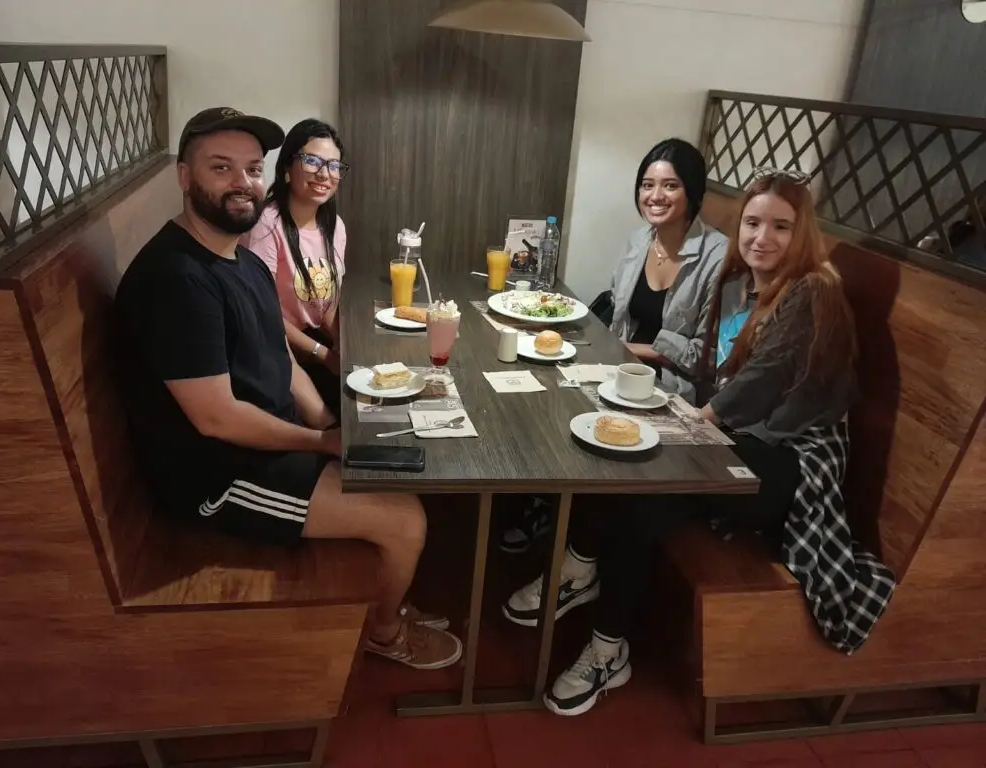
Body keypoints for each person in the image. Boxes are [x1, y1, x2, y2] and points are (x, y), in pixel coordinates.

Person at [506, 168, 895, 716]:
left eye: (781, 227)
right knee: (625, 468)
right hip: (734, 433)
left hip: (792, 458)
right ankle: (595, 608)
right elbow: (710, 361)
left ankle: (594, 618)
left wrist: (694, 425)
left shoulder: (812, 292)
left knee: (647, 477)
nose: (763, 238)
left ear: (802, 232)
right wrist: (641, 361)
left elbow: (761, 383)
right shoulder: (740, 281)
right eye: (753, 223)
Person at [115, 108, 462, 671]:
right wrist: (321, 445)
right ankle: (382, 630)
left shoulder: (241, 261)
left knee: (401, 456)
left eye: (252, 169)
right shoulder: (176, 280)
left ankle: (386, 600)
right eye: (220, 167)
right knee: (405, 518)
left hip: (269, 445)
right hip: (219, 478)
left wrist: (328, 422)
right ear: (184, 175)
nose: (242, 183)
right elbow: (217, 420)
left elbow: (278, 358)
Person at [499, 138, 728, 555]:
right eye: (647, 184)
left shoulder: (717, 256)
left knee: (572, 413)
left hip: (671, 385)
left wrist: (631, 349)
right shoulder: (639, 241)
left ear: (692, 192)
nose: (655, 196)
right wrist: (605, 346)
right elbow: (619, 315)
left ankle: (572, 544)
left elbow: (709, 356)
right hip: (619, 364)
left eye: (670, 186)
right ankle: (542, 502)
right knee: (537, 389)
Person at [243, 119, 347, 412]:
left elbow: (325, 304)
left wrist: (342, 346)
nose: (324, 174)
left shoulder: (334, 226)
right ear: (288, 167)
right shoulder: (266, 224)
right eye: (312, 161)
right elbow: (263, 313)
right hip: (278, 352)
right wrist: (323, 355)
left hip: (314, 347)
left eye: (334, 165)